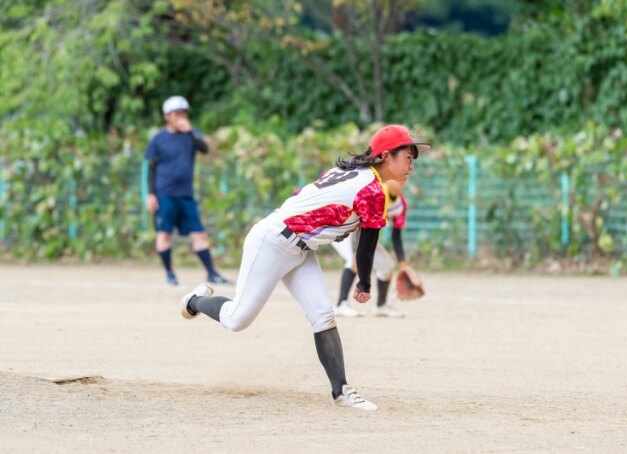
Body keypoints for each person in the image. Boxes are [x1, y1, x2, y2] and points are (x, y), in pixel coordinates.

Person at [180, 124, 430, 410]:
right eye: (407, 157)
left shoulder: (354, 173)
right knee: (237, 319)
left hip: (301, 248)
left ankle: (341, 391)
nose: (411, 164)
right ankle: (195, 301)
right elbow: (366, 245)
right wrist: (364, 283)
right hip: (273, 242)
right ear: (386, 156)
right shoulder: (372, 190)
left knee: (323, 315)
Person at [145, 95, 232, 286]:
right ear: (167, 116)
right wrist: (151, 194)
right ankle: (169, 273)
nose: (182, 116)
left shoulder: (191, 135)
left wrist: (190, 131)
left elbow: (204, 149)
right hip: (164, 194)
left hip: (185, 194)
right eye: (177, 113)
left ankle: (211, 273)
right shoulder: (159, 139)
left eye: (184, 112)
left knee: (199, 233)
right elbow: (151, 168)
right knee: (164, 234)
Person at [333, 189, 415, 318]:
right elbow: (359, 221)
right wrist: (356, 251)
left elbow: (396, 236)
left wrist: (403, 264)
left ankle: (380, 307)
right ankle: (340, 305)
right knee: (353, 260)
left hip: (365, 235)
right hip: (344, 229)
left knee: (387, 266)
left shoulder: (401, 203)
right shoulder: (376, 193)